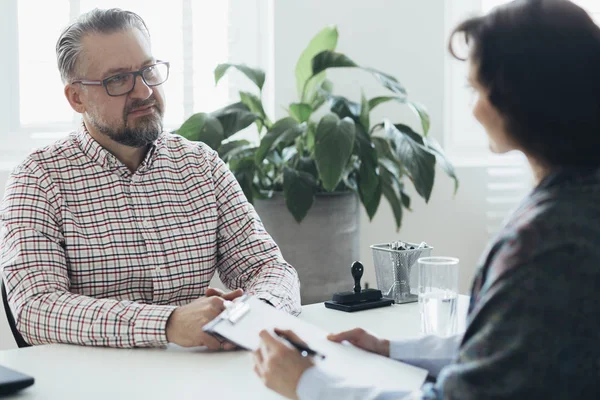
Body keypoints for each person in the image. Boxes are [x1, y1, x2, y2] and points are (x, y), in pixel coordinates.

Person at [252, 0, 600, 398]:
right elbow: (511, 344)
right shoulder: (577, 200)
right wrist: (390, 349)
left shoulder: (547, 245)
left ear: (522, 99)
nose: (473, 110)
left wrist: (308, 383)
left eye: (477, 90)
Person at [0, 8, 300, 349]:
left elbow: (268, 268)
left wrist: (254, 313)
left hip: (199, 376)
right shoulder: (38, 179)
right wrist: (168, 324)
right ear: (77, 97)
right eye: (118, 80)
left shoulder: (201, 165)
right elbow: (35, 308)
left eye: (148, 70)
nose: (143, 91)